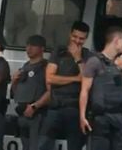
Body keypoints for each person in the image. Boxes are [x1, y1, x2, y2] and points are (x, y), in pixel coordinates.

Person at [40, 21, 93, 150]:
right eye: (75, 37)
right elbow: (50, 78)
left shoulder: (88, 55)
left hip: (74, 109)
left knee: (74, 145)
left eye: (81, 39)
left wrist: (78, 59)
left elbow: (86, 78)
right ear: (70, 34)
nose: (77, 41)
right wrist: (75, 78)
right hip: (55, 107)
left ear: (86, 39)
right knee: (43, 144)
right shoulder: (59, 52)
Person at [79, 26, 122, 150]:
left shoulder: (121, 63)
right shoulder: (94, 61)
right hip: (101, 117)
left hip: (120, 117)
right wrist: (82, 116)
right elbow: (84, 90)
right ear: (116, 41)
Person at [11, 35, 50, 150]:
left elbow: (51, 92)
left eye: (33, 46)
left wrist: (34, 106)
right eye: (27, 45)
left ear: (42, 48)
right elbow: (16, 93)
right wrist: (14, 81)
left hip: (38, 115)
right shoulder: (25, 66)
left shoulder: (46, 67)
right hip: (23, 115)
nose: (29, 48)